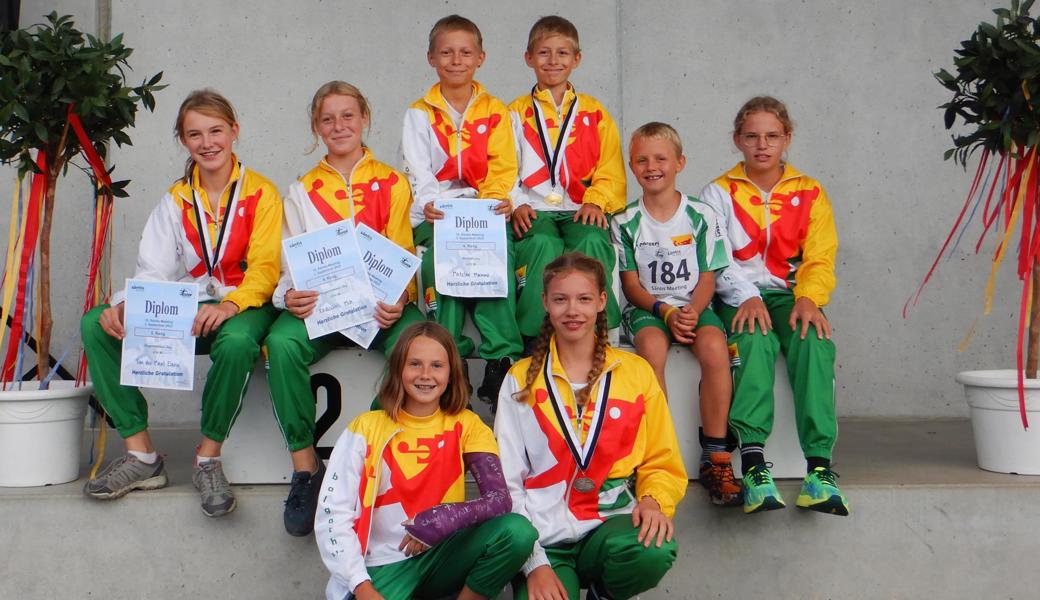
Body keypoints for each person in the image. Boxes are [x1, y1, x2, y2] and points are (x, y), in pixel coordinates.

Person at [80, 89, 282, 517]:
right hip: (188, 311)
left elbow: (265, 270)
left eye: (216, 131)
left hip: (243, 307)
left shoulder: (262, 193)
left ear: (234, 132)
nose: (207, 142)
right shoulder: (175, 200)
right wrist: (128, 306)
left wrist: (229, 306)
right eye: (195, 134)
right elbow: (153, 270)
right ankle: (142, 457)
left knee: (237, 344)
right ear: (183, 140)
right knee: (97, 323)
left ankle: (208, 459)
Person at [264, 81, 426, 536]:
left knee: (421, 342)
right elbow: (289, 262)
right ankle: (306, 468)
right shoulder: (301, 189)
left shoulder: (393, 182)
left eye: (348, 116)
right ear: (316, 127)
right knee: (279, 341)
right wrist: (288, 295)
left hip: (378, 311)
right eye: (328, 118)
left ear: (365, 118)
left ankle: (364, 458)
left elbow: (403, 252)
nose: (339, 126)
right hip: (320, 310)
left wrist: (400, 297)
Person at [495, 252, 687, 600]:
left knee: (654, 548)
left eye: (584, 299)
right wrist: (533, 562)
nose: (572, 310)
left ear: (601, 302)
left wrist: (653, 501)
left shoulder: (636, 373)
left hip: (608, 524)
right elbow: (507, 480)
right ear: (545, 303)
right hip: (543, 537)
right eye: (560, 299)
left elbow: (662, 458)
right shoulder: (520, 380)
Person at [699, 96, 847, 516]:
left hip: (791, 295)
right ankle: (753, 464)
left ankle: (819, 469)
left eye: (771, 136)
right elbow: (715, 256)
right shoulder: (718, 191)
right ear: (736, 140)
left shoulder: (810, 191)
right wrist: (745, 296)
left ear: (787, 138)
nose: (762, 145)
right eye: (751, 136)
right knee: (753, 338)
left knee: (813, 339)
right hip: (737, 294)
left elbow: (821, 256)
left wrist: (808, 298)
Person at [315, 322, 538, 600]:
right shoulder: (365, 427)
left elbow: (499, 499)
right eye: (415, 364)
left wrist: (440, 519)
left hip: (443, 557)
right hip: (380, 566)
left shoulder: (468, 424)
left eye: (437, 366)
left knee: (517, 532)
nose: (425, 375)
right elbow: (333, 514)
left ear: (451, 372)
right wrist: (360, 585)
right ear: (398, 369)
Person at [612, 122, 740, 507]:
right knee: (651, 350)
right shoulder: (624, 221)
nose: (652, 166)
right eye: (641, 160)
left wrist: (691, 311)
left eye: (661, 158)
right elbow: (632, 285)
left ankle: (716, 454)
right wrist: (664, 311)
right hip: (650, 309)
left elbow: (708, 275)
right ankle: (657, 453)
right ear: (632, 167)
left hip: (693, 306)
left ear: (680, 163)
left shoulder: (701, 215)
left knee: (716, 349)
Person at [401, 14, 523, 407]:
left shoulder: (496, 111)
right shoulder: (418, 112)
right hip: (436, 214)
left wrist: (490, 206)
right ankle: (446, 359)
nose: (456, 60)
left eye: (465, 52)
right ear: (431, 58)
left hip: (484, 213)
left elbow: (504, 167)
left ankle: (501, 358)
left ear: (481, 58)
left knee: (495, 257)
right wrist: (431, 204)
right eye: (446, 53)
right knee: (441, 262)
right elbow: (417, 171)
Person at [509, 15, 625, 345]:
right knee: (542, 244)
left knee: (592, 240)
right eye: (544, 53)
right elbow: (502, 168)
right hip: (533, 209)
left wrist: (596, 199)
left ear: (577, 59)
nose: (553, 61)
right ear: (528, 58)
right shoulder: (514, 112)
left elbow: (610, 168)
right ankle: (534, 335)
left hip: (579, 207)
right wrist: (516, 203)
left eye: (562, 53)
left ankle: (599, 328)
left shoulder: (595, 113)